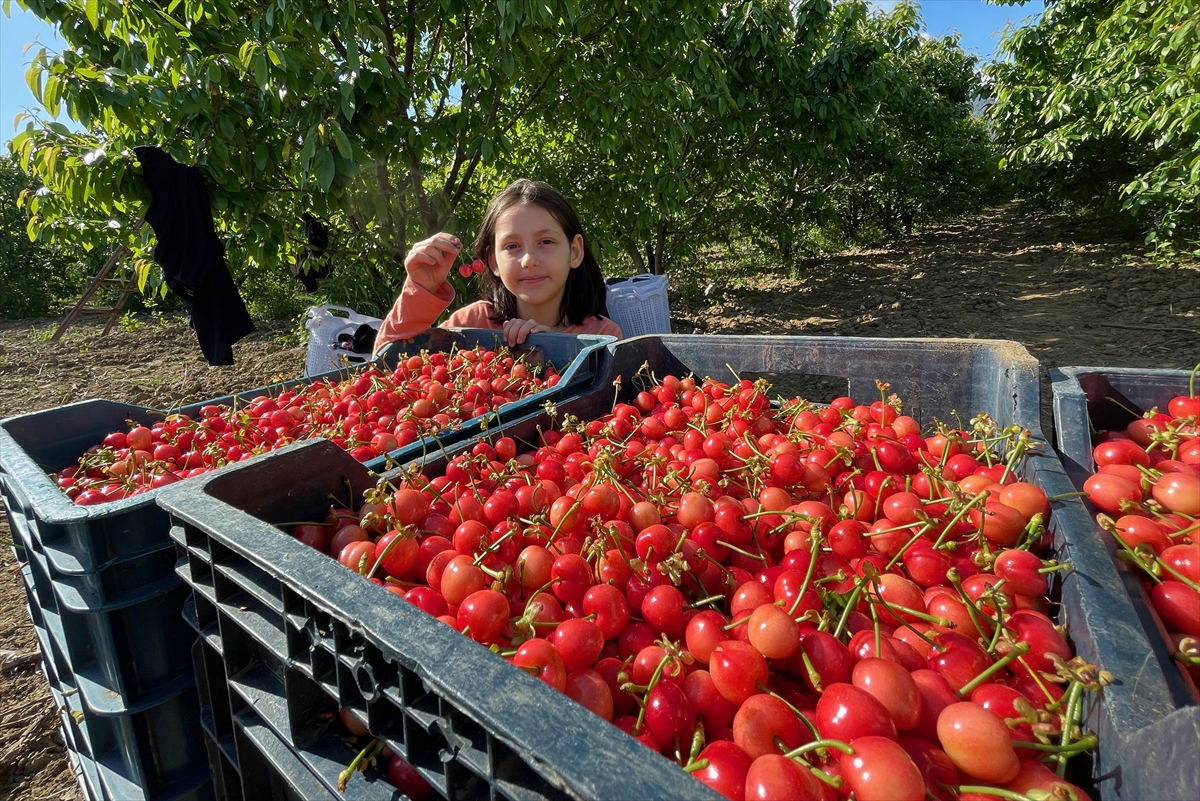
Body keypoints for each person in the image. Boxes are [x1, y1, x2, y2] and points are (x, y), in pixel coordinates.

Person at [374, 179, 623, 354]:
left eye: (546, 241)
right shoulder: (470, 324)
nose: (529, 260)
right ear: (493, 262)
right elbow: (385, 366)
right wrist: (420, 290)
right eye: (512, 246)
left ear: (575, 251)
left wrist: (550, 353)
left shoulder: (603, 337)